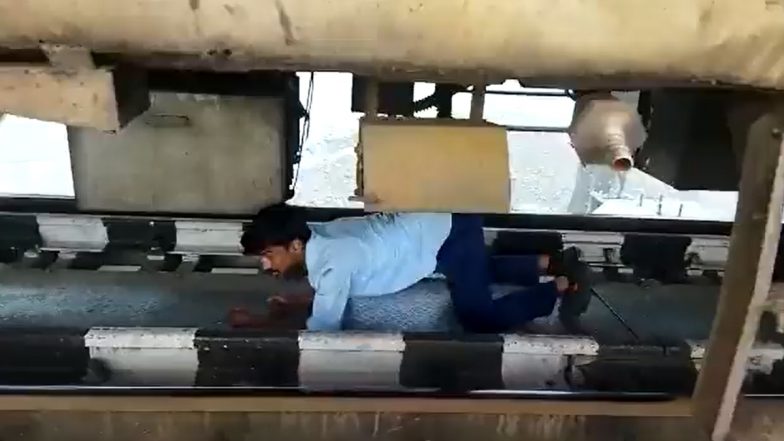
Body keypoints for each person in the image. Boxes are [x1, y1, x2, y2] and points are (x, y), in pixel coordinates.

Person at [238, 204, 591, 333]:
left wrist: (258, 324)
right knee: (470, 270)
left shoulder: (334, 261)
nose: (266, 264)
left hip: (448, 234)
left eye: (268, 254)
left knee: (478, 318)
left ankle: (561, 285)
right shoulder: (321, 235)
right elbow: (334, 295)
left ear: (295, 246)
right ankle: (550, 262)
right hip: (439, 227)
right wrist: (297, 305)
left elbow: (323, 331)